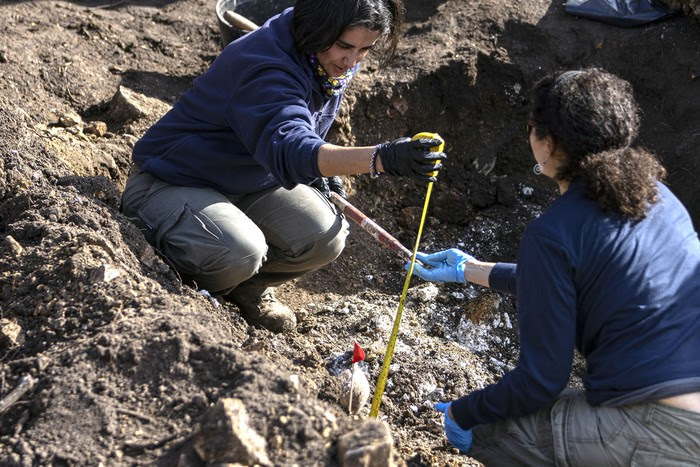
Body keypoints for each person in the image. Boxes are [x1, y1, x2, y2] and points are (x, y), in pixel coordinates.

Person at [411, 68, 700, 465]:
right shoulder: (659, 197)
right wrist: (472, 270)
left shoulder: (551, 233)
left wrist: (464, 413)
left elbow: (540, 381)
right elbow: (569, 283)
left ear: (547, 143)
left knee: (497, 428)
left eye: (532, 126)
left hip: (660, 431)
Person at [120, 0, 446, 333]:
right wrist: (381, 158)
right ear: (317, 29)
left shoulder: (324, 55)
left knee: (325, 235)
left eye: (365, 50)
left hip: (249, 178)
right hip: (172, 180)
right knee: (241, 251)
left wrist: (322, 171)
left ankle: (244, 290)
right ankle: (196, 292)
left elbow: (308, 124)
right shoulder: (266, 67)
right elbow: (292, 148)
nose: (351, 61)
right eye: (345, 47)